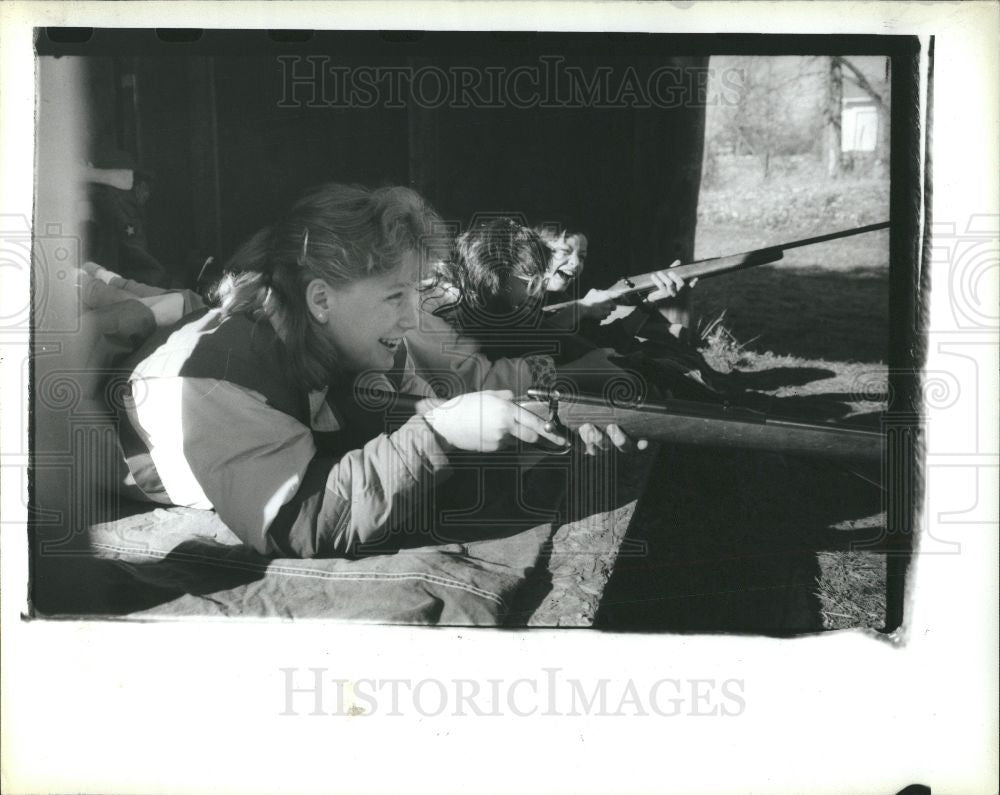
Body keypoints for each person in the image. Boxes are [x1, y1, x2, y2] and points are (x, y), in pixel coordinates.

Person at [116, 183, 574, 560]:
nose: (413, 318)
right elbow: (301, 522)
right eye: (395, 296)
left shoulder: (365, 341)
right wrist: (441, 432)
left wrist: (534, 430)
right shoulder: (214, 378)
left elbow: (415, 432)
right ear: (321, 300)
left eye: (414, 294)